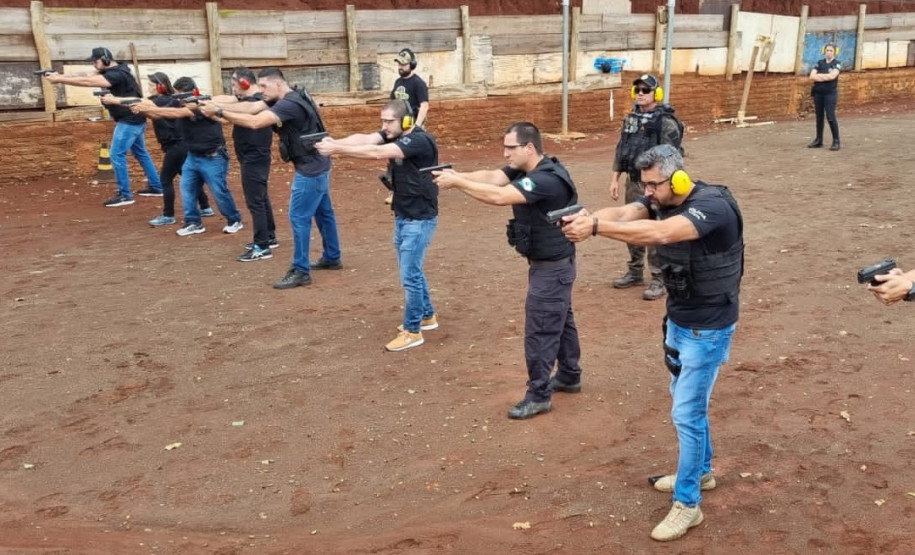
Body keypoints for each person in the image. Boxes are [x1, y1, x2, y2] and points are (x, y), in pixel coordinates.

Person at [561, 144, 744, 542]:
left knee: (687, 413)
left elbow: (661, 233)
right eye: (642, 184)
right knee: (686, 403)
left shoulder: (712, 207)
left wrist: (594, 229)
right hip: (680, 322)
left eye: (652, 184)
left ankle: (688, 504)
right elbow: (627, 214)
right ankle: (703, 471)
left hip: (709, 328)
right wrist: (589, 217)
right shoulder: (657, 199)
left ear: (677, 178)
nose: (647, 192)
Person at [433, 122, 583, 420]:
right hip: (548, 263)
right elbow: (492, 178)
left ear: (529, 148)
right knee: (560, 319)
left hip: (552, 266)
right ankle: (569, 375)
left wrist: (458, 184)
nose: (505, 153)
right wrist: (456, 175)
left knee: (541, 328)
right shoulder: (526, 169)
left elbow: (498, 196)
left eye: (510, 148)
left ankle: (539, 395)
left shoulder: (546, 179)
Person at [315, 100, 438, 352]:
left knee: (410, 275)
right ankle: (427, 316)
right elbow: (367, 139)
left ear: (406, 121)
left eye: (389, 121)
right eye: (383, 121)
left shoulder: (419, 141)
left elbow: (377, 153)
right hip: (404, 215)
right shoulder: (393, 134)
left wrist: (336, 149)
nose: (384, 126)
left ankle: (413, 331)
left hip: (419, 218)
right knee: (412, 269)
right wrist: (334, 141)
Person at [199, 68, 341, 286]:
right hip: (317, 162)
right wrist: (213, 105)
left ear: (278, 84)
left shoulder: (288, 104)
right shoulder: (287, 97)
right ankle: (332, 256)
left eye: (264, 86)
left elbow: (255, 121)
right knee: (324, 213)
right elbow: (251, 106)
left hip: (310, 166)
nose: (260, 90)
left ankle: (300, 270)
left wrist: (218, 112)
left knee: (298, 217)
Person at [43, 47, 163, 207]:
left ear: (106, 59)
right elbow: (87, 76)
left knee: (116, 154)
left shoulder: (117, 74)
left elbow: (89, 81)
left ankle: (125, 195)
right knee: (140, 153)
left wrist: (59, 80)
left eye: (96, 61)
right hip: (135, 118)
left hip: (129, 120)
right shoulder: (120, 68)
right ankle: (156, 187)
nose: (93, 64)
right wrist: (59, 75)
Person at [131, 77, 243, 238]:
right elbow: (161, 111)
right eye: (177, 96)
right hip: (192, 156)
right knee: (187, 189)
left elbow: (175, 112)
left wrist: (145, 109)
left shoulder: (203, 105)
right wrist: (143, 109)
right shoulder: (180, 103)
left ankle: (234, 220)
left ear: (193, 93)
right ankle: (193, 222)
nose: (179, 99)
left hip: (213, 155)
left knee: (219, 191)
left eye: (182, 96)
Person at [609, 73, 683, 301]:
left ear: (656, 94)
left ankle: (659, 278)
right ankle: (634, 271)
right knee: (631, 226)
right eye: (637, 90)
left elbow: (671, 158)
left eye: (646, 90)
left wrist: (661, 188)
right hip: (633, 181)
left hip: (655, 185)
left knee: (653, 229)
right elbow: (622, 150)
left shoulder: (665, 121)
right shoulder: (630, 119)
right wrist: (615, 179)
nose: (640, 94)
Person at [109, 72, 213, 226]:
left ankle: (168, 215)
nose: (149, 88)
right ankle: (205, 207)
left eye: (151, 85)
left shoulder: (160, 101)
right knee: (188, 177)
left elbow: (140, 102)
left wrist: (114, 100)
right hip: (181, 146)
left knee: (165, 180)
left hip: (175, 147)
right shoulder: (172, 100)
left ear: (160, 86)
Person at [209, 67, 277, 262]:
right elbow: (229, 107)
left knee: (255, 201)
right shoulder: (247, 101)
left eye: (233, 84)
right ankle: (269, 237)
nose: (232, 88)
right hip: (252, 156)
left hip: (254, 157)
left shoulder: (257, 101)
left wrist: (216, 109)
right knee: (261, 198)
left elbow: (239, 109)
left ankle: (261, 246)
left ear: (245, 83)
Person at [808, 43, 842, 151]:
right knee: (819, 117)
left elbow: (833, 76)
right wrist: (825, 77)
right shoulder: (819, 63)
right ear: (824, 51)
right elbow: (811, 76)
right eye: (827, 50)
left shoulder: (837, 64)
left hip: (830, 94)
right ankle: (819, 140)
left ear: (835, 52)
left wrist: (819, 76)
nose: (828, 52)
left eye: (831, 50)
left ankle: (836, 141)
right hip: (818, 93)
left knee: (830, 117)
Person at [391, 48, 429, 129]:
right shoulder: (397, 82)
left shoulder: (418, 83)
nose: (400, 67)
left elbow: (424, 106)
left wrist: (417, 127)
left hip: (413, 124)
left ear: (412, 65)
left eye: (403, 64)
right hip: (399, 125)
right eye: (399, 64)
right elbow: (392, 103)